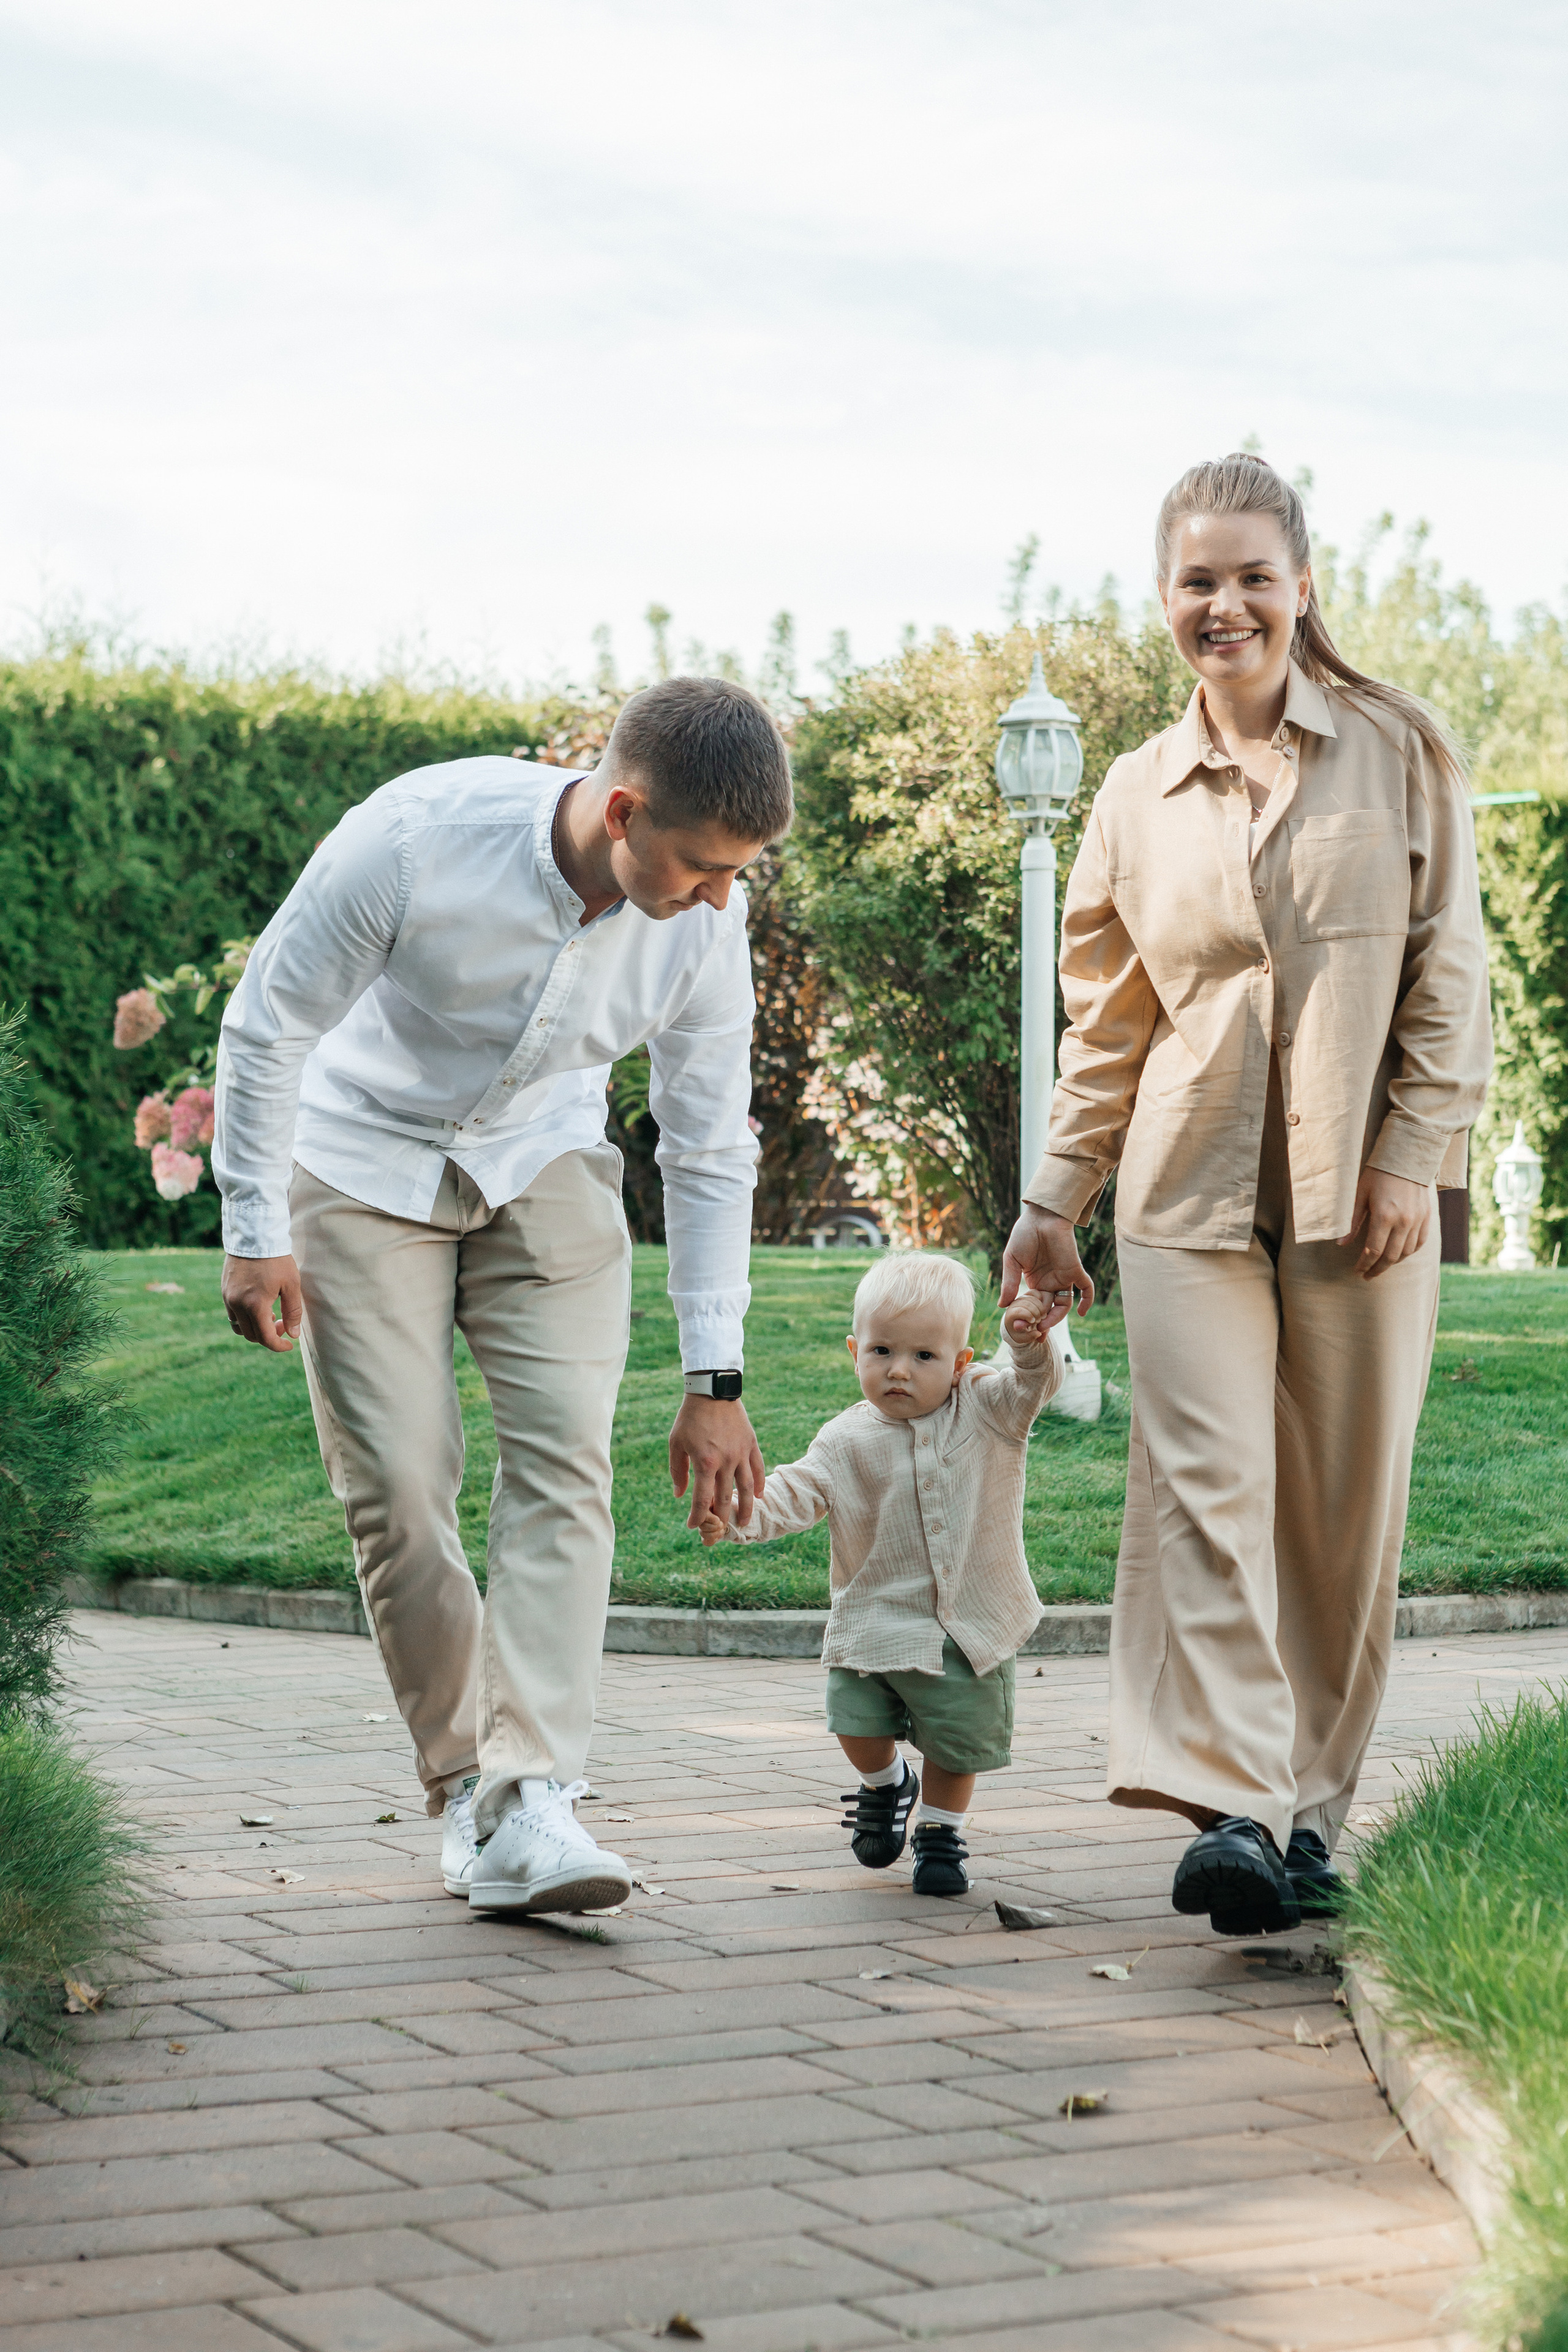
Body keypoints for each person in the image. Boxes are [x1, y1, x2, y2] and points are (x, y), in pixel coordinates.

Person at [1000, 451, 1492, 1937]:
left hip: (1362, 1200)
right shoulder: (1132, 796)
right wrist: (1051, 1199)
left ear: (1300, 587)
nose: (1224, 604)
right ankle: (1234, 1807)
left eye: (1250, 576)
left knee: (1338, 1521)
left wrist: (1411, 1152)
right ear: (1164, 598)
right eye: (1196, 580)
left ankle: (1308, 1818)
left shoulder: (1396, 748)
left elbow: (1447, 970)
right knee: (1206, 1494)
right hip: (1182, 1191)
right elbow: (1106, 1023)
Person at [214, 676, 793, 1916]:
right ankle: (466, 1788)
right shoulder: (412, 842)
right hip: (364, 1160)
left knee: (565, 1461)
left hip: (545, 1156)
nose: (719, 897)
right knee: (398, 1487)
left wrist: (716, 1376)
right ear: (622, 812)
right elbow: (268, 1026)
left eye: (736, 873)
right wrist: (254, 1233)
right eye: (701, 866)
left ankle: (533, 1798)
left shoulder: (705, 924)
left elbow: (706, 1145)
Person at [699, 1253, 1065, 1895]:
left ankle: (941, 1835)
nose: (899, 1369)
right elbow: (795, 1492)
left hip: (968, 1624)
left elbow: (1034, 1385)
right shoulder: (843, 1439)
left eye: (924, 1356)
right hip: (873, 1619)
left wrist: (1027, 1343)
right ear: (855, 1352)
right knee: (854, 1722)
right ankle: (888, 1783)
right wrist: (735, 1514)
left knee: (955, 1744)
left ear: (959, 1362)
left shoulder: (987, 1408)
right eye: (881, 1351)